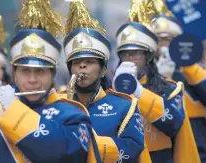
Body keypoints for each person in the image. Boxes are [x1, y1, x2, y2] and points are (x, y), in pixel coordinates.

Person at [0, 0, 94, 162]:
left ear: (52, 74)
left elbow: (61, 154)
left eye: (40, 71)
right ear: (13, 72)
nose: (32, 80)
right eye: (25, 71)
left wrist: (13, 109)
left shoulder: (74, 115)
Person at [58, 1, 148, 162]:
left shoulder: (124, 106)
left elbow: (132, 148)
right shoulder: (56, 103)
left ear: (103, 70)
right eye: (77, 63)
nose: (82, 66)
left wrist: (89, 142)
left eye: (90, 62)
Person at [113, 0, 200, 162]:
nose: (130, 58)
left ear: (148, 56)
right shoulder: (110, 90)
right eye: (126, 53)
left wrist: (138, 91)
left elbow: (173, 123)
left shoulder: (170, 88)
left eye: (136, 53)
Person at [151, 12, 206, 163]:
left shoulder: (192, 71)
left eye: (168, 40)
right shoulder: (145, 75)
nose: (163, 46)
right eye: (159, 41)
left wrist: (184, 62)